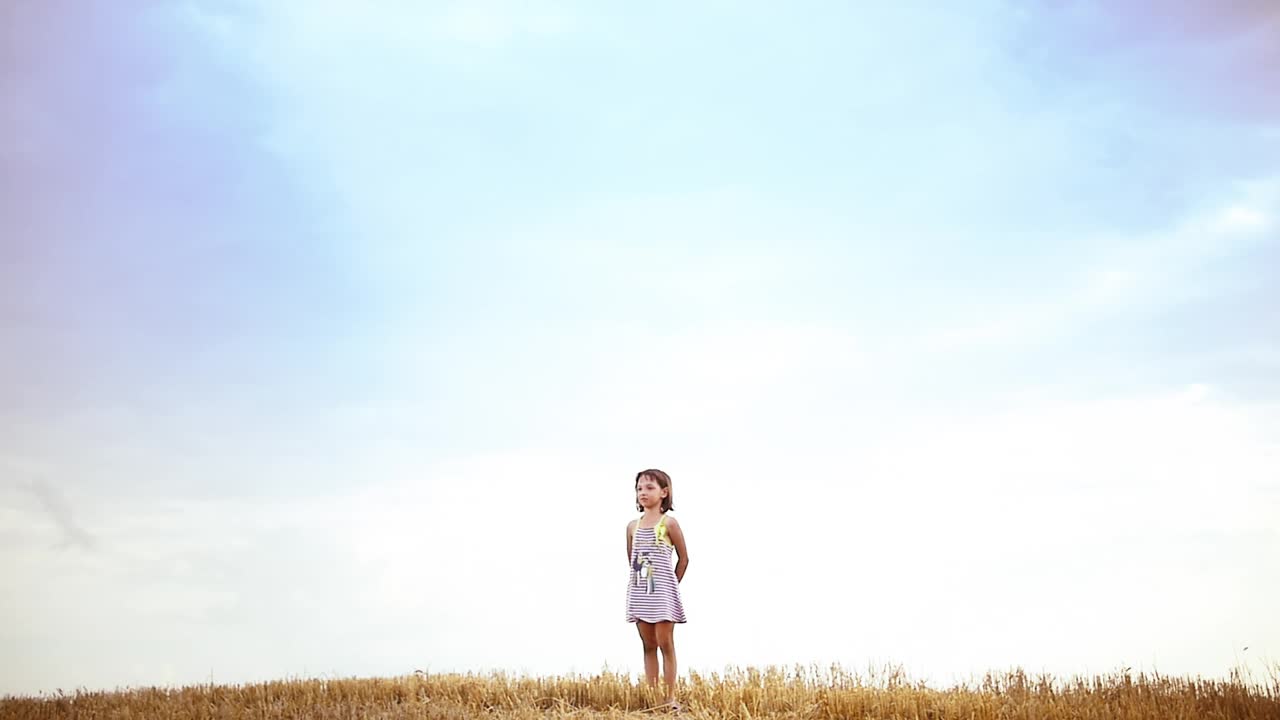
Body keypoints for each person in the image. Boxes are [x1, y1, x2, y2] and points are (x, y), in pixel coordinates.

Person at [625, 468, 689, 711]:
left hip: (662, 594)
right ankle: (653, 700)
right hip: (641, 593)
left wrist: (670, 586)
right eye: (640, 488)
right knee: (648, 644)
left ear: (664, 492)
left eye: (649, 488)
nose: (643, 492)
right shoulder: (632, 526)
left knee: (665, 643)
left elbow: (683, 559)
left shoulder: (669, 523)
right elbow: (633, 560)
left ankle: (669, 697)